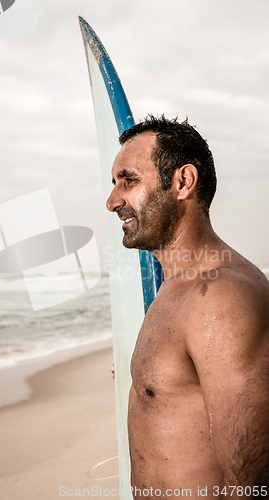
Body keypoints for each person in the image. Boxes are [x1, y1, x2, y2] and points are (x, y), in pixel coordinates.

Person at [106, 115, 269, 499]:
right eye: (113, 184)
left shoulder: (220, 297)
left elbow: (253, 483)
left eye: (128, 181)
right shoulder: (177, 288)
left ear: (182, 182)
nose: (112, 201)